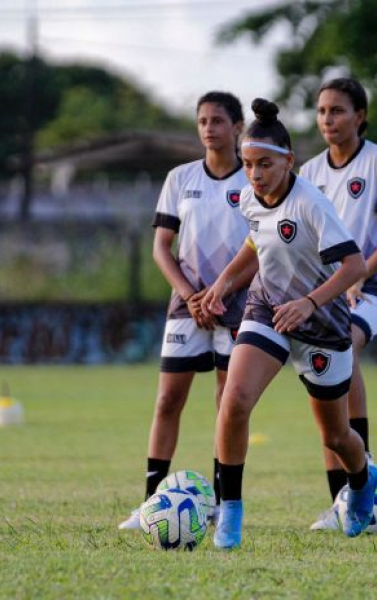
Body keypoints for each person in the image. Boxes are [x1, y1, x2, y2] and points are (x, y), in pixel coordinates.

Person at [201, 98, 377, 548]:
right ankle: (230, 513)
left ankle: (362, 479)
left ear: (288, 161)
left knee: (337, 436)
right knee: (235, 400)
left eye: (264, 164)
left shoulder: (313, 204)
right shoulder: (247, 197)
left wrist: (309, 302)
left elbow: (355, 265)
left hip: (323, 324)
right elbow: (253, 243)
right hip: (266, 310)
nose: (255, 174)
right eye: (247, 164)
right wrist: (223, 284)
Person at [118, 91, 250, 529]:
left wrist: (222, 292)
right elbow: (161, 247)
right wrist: (191, 295)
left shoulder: (253, 180)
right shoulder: (179, 177)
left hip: (238, 302)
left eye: (217, 120)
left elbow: (264, 247)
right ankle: (151, 502)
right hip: (186, 303)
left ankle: (219, 502)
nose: (208, 128)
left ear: (237, 128)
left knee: (227, 402)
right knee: (167, 399)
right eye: (202, 121)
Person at [299, 77, 377, 530]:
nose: (328, 119)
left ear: (360, 116)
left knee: (342, 347)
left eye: (338, 110)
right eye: (322, 111)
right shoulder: (308, 173)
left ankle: (356, 494)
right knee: (323, 380)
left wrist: (360, 273)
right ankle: (342, 500)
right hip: (323, 295)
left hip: (369, 291)